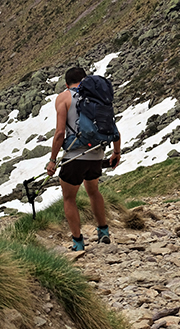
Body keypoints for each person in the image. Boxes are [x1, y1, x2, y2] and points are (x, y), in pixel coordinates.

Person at [46, 67, 121, 251]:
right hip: (97, 153)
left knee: (69, 198)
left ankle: (78, 243)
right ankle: (103, 232)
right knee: (93, 191)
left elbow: (60, 133)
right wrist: (116, 153)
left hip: (74, 155)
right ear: (85, 80)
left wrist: (52, 160)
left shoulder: (64, 98)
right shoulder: (96, 94)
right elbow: (112, 126)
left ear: (66, 83)